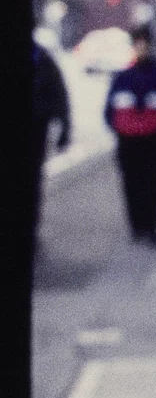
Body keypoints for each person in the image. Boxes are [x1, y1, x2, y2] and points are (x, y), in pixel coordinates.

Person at [104, 23, 156, 246]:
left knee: (153, 184)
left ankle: (153, 227)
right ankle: (137, 226)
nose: (141, 50)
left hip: (153, 141)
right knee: (132, 184)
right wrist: (118, 127)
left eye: (144, 45)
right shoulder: (123, 76)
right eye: (137, 45)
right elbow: (110, 109)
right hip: (129, 142)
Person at [30, 30, 72, 257]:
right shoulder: (41, 57)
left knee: (32, 184)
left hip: (35, 132)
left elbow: (59, 95)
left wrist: (65, 128)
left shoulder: (41, 58)